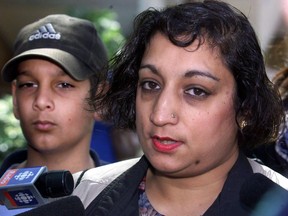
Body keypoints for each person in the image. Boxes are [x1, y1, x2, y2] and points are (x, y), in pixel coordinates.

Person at [76, 1, 288, 215]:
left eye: (196, 91)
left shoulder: (278, 205)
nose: (160, 115)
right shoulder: (83, 196)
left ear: (246, 107)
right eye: (151, 85)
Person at [0, 14, 108, 215]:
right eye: (28, 84)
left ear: (99, 98)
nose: (41, 101)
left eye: (64, 85)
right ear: (15, 99)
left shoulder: (129, 195)